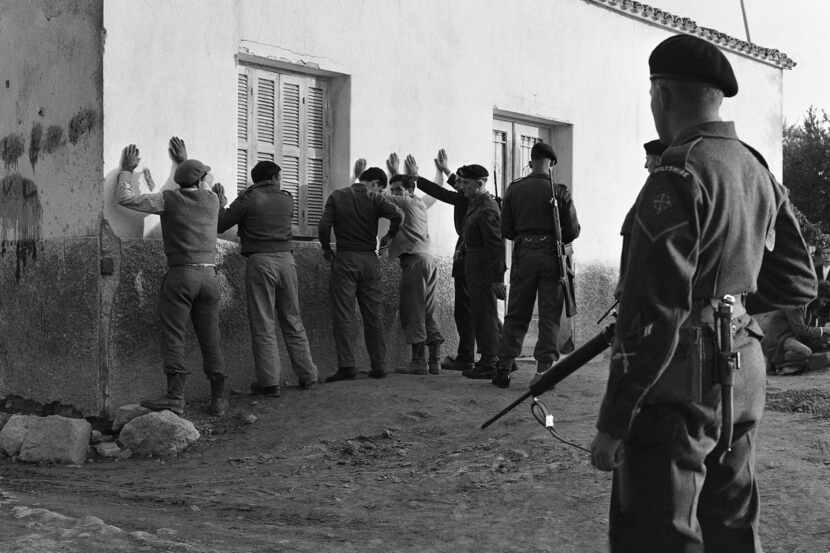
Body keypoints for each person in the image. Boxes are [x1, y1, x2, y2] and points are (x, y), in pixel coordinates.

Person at [590, 34, 817, 552]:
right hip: (744, 365)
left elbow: (652, 314)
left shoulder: (676, 173)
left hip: (680, 382)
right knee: (732, 526)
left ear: (662, 95)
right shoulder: (755, 167)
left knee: (658, 534)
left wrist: (614, 421)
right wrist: (730, 306)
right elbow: (799, 281)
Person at [117, 138, 229, 417]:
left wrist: (127, 171)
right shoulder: (213, 199)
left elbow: (126, 198)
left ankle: (175, 397)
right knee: (210, 338)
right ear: (201, 180)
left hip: (181, 276)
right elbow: (204, 177)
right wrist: (184, 160)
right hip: (209, 277)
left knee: (174, 336)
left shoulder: (168, 199)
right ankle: (219, 398)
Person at [214, 161, 318, 397]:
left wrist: (221, 203)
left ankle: (270, 382)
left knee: (263, 322)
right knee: (293, 319)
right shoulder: (287, 199)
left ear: (257, 179)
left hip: (260, 261)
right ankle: (308, 375)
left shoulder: (249, 199)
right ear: (275, 177)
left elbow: (221, 224)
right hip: (286, 261)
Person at [491, 142, 580, 388]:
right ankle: (542, 373)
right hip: (552, 258)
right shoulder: (560, 191)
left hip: (524, 255)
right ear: (551, 164)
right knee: (549, 316)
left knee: (517, 313)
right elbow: (572, 231)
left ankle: (504, 368)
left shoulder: (514, 189)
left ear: (531, 162)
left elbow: (507, 230)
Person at [318, 167, 403, 382]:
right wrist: (388, 238)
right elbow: (398, 215)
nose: (380, 192)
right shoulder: (374, 199)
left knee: (343, 315)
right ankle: (379, 365)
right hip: (369, 260)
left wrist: (326, 248)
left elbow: (324, 225)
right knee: (373, 314)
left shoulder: (337, 196)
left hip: (345, 258)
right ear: (374, 183)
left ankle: (347, 366)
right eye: (380, 188)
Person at [414, 150, 476, 371]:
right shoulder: (473, 197)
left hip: (467, 258)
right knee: (479, 310)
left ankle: (469, 356)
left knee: (466, 311)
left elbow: (441, 193)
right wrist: (446, 170)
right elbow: (454, 188)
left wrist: (415, 177)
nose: (458, 184)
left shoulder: (465, 199)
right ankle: (496, 354)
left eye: (462, 181)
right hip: (472, 259)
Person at [383, 155, 444, 374]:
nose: (395, 193)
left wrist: (388, 175)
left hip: (414, 263)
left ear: (409, 190)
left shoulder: (406, 201)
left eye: (398, 189)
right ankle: (435, 361)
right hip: (427, 260)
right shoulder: (419, 203)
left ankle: (419, 362)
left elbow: (379, 195)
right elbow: (436, 193)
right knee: (428, 310)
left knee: (413, 311)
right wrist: (398, 173)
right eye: (394, 190)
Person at [454, 164, 506, 380]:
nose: (462, 187)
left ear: (480, 183)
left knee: (485, 315)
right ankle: (500, 359)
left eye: (466, 183)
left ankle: (490, 362)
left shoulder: (487, 208)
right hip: (474, 264)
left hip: (483, 267)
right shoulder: (477, 204)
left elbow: (496, 245)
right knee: (481, 313)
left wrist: (497, 278)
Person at [757, 300, 830, 375]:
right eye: (823, 301)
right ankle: (777, 363)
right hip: (779, 338)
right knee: (806, 352)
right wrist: (823, 330)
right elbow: (801, 330)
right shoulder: (794, 306)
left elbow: (808, 332)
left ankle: (785, 365)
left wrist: (824, 339)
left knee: (816, 349)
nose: (824, 304)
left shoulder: (809, 308)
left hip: (789, 337)